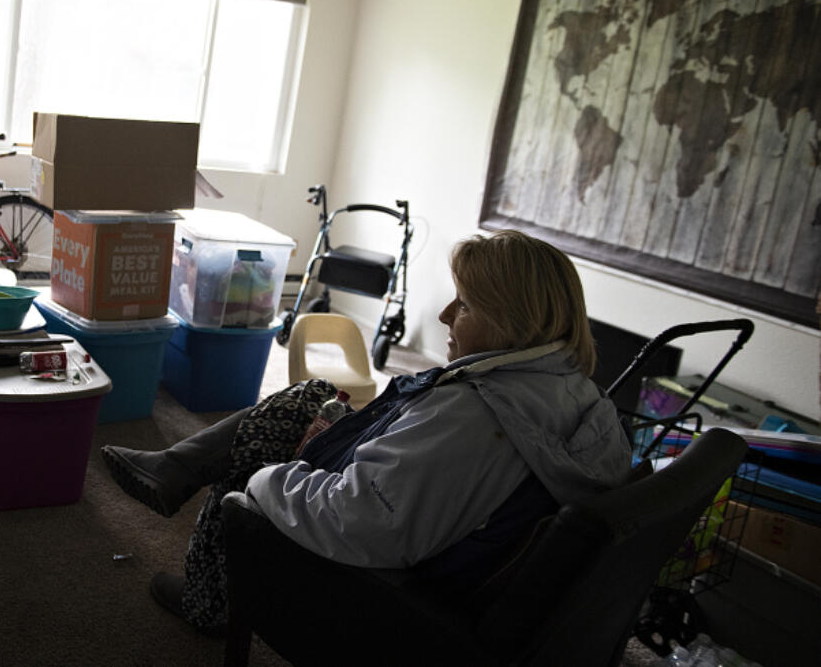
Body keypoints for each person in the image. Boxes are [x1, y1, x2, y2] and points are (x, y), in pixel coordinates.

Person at [101, 229, 632, 633]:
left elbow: (360, 522)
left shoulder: (475, 417)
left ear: (515, 320)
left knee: (258, 449)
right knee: (310, 396)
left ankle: (208, 600)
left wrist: (267, 479)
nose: (445, 316)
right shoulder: (582, 396)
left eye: (464, 304)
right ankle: (174, 466)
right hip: (442, 527)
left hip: (383, 588)